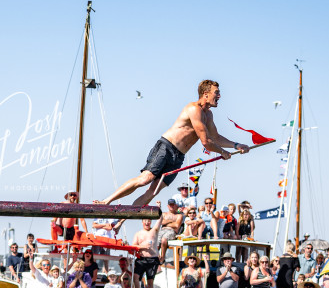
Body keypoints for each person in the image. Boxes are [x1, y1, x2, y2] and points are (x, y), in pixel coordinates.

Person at [99, 80, 250, 207]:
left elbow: (215, 137)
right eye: (216, 92)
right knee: (145, 179)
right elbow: (206, 142)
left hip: (179, 157)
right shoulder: (194, 109)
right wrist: (222, 152)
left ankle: (120, 222)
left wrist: (236, 145)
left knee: (153, 191)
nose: (219, 95)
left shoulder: (208, 115)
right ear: (206, 94)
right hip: (166, 147)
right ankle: (107, 201)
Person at [131, 212, 163, 288]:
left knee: (150, 281)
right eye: (145, 221)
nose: (147, 223)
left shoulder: (154, 231)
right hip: (141, 258)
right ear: (142, 222)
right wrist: (143, 247)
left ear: (151, 222)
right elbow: (133, 246)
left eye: (148, 221)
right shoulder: (138, 233)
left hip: (153, 259)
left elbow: (160, 220)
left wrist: (158, 207)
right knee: (136, 277)